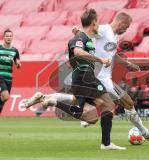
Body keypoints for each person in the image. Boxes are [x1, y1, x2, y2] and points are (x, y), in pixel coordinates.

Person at [25, 9, 126, 150]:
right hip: (84, 78)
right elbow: (78, 51)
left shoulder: (85, 38)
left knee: (90, 117)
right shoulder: (81, 38)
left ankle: (53, 101)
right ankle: (106, 144)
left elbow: (80, 45)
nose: (99, 26)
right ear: (94, 22)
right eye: (97, 23)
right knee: (108, 104)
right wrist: (100, 59)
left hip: (83, 79)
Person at [0, 29, 21, 113]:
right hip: (0, 76)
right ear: (3, 37)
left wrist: (18, 64)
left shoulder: (14, 51)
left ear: (12, 38)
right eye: (7, 36)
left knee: (4, 99)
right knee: (5, 96)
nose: (9, 37)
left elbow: (17, 63)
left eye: (10, 36)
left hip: (8, 78)